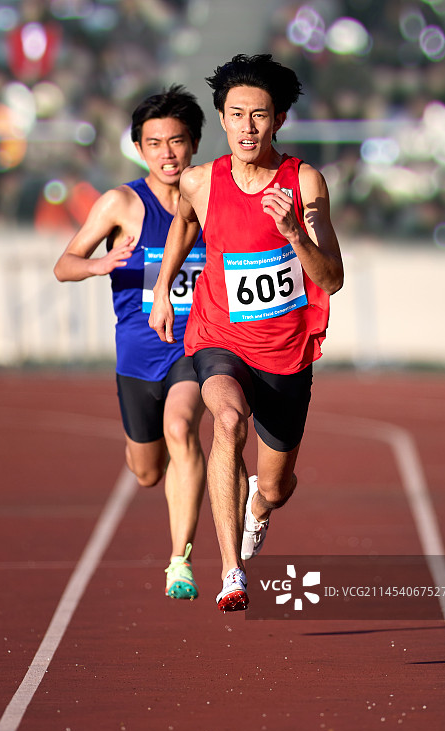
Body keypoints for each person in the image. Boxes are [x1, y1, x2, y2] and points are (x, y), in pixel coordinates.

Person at [148, 55, 344, 613]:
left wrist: (293, 235)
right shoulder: (199, 180)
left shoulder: (303, 182)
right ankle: (231, 571)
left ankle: (259, 507)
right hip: (218, 338)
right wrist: (164, 289)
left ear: (279, 119)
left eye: (259, 116)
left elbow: (334, 277)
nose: (247, 129)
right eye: (236, 115)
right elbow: (186, 221)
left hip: (285, 354)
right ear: (222, 117)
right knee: (227, 422)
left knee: (277, 486)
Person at [54, 86, 207, 600]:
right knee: (146, 472)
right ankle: (154, 455)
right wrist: (98, 263)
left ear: (194, 144)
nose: (168, 153)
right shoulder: (121, 203)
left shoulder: (212, 199)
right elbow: (64, 264)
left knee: (182, 427)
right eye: (155, 143)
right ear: (140, 149)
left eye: (178, 142)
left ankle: (178, 561)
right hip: (138, 357)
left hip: (195, 347)